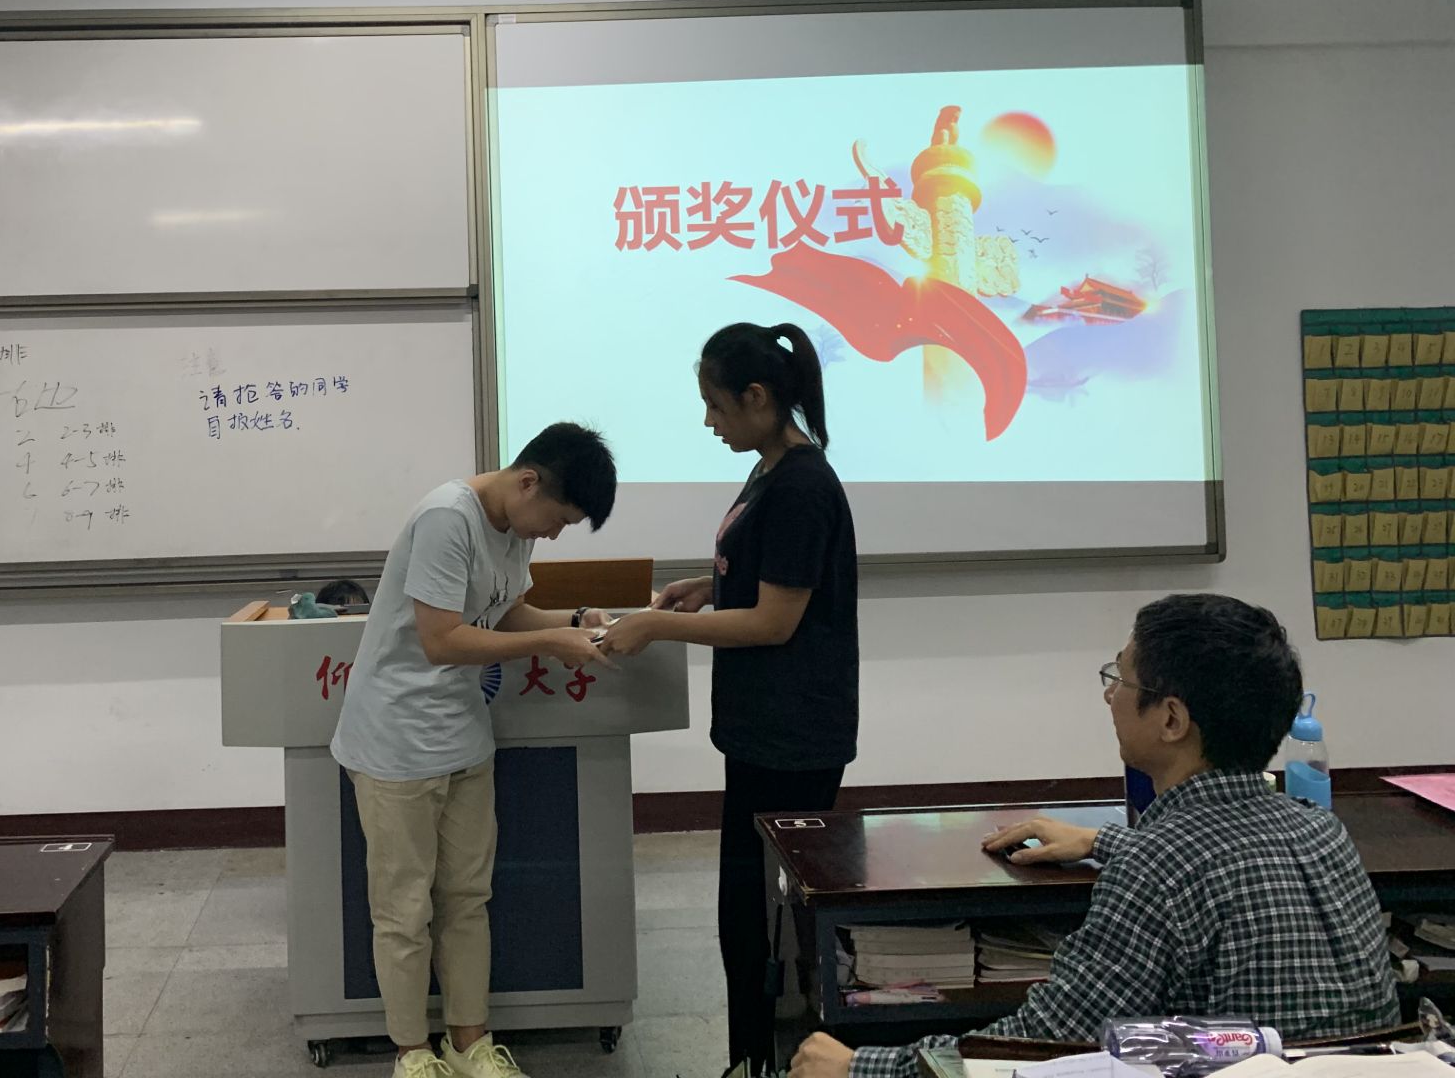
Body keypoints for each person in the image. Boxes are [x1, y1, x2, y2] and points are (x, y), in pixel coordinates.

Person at [791, 593, 1400, 1078]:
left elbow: (1047, 1043)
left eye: (1121, 681)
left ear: (1171, 719)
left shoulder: (1158, 865)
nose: (1109, 695)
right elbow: (1219, 858)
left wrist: (861, 1067)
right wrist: (1099, 841)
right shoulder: (1320, 830)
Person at [596, 322, 858, 1078]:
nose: (709, 421)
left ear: (758, 397)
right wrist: (710, 588)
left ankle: (773, 1061)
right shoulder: (771, 469)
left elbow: (775, 622)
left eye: (716, 404)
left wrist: (657, 625)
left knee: (765, 920)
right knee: (743, 911)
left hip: (792, 735)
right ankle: (752, 1057)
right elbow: (768, 580)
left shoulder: (802, 485)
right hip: (761, 730)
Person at [330, 422, 618, 1078]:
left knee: (466, 898)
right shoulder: (447, 518)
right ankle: (412, 1054)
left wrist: (577, 621)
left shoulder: (515, 527)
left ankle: (469, 1044)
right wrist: (551, 644)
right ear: (528, 482)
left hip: (462, 738)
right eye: (559, 520)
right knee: (404, 908)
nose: (555, 535)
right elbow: (443, 640)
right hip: (395, 743)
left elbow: (503, 613)